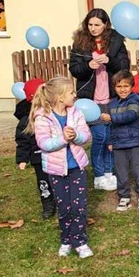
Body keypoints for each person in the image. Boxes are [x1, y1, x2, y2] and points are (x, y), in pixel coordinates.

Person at [28, 76, 94, 258]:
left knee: (79, 206)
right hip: (56, 171)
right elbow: (44, 143)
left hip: (76, 168)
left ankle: (80, 241)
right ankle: (66, 239)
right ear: (59, 97)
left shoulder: (76, 113)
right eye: (71, 92)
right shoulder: (43, 117)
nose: (75, 95)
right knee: (64, 207)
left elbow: (86, 136)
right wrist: (63, 139)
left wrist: (76, 136)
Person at [69, 8, 130, 191]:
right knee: (100, 136)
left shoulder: (116, 42)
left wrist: (109, 60)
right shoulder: (80, 43)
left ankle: (110, 172)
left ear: (105, 25)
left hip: (111, 97)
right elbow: (74, 69)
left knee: (111, 137)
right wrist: (88, 65)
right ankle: (98, 173)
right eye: (90, 25)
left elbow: (124, 67)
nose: (93, 28)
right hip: (90, 100)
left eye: (97, 25)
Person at [102, 71, 139, 212]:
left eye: (126, 86)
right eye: (119, 86)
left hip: (136, 143)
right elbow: (110, 127)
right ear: (114, 87)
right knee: (121, 172)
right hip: (118, 144)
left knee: (137, 170)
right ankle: (124, 196)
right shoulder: (111, 105)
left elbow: (130, 115)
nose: (122, 89)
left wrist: (111, 118)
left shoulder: (136, 101)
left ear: (132, 86)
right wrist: (110, 141)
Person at [14, 78, 56, 219]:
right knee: (43, 181)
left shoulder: (54, 111)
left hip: (55, 152)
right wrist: (22, 158)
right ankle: (48, 204)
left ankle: (61, 200)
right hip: (38, 155)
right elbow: (23, 139)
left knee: (57, 178)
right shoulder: (27, 118)